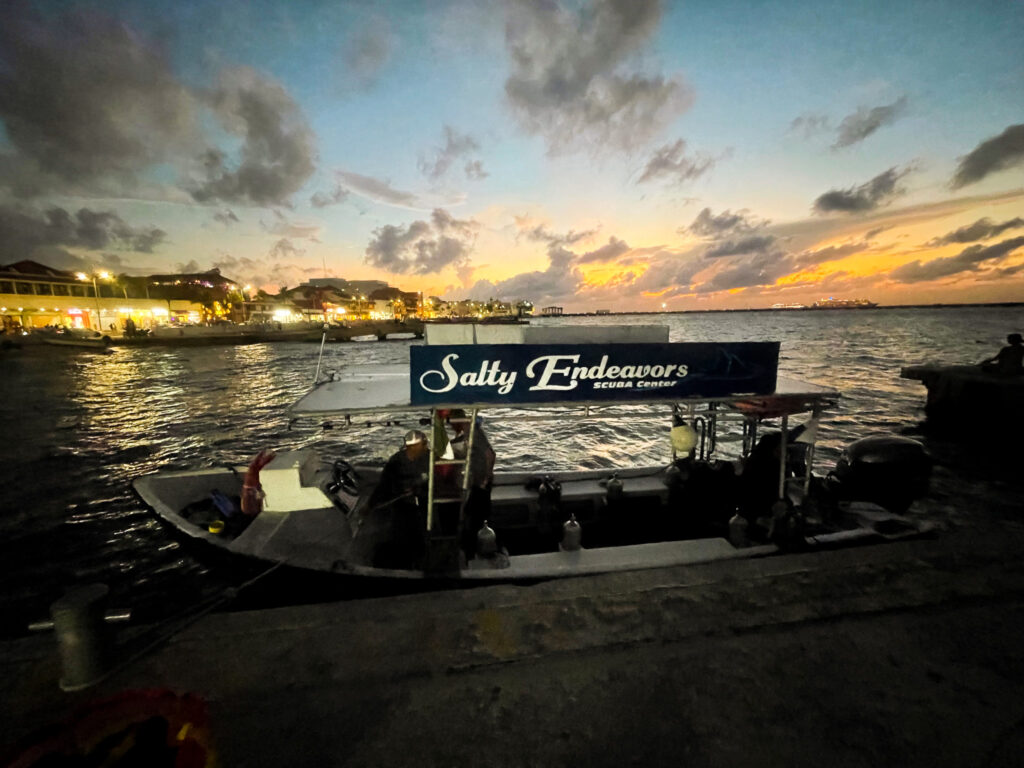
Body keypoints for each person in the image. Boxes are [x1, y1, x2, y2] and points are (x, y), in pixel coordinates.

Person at [368, 430, 430, 567]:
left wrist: (421, 489)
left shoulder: (430, 458)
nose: (426, 446)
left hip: (425, 505)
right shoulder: (396, 461)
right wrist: (370, 505)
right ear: (413, 446)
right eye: (423, 444)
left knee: (423, 538)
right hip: (402, 507)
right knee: (402, 539)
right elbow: (383, 485)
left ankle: (421, 562)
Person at [449, 409, 496, 559]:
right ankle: (473, 545)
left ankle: (478, 548)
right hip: (476, 480)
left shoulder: (473, 432)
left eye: (452, 423)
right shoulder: (466, 433)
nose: (451, 427)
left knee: (478, 515)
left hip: (482, 482)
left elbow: (490, 454)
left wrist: (485, 478)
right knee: (472, 511)